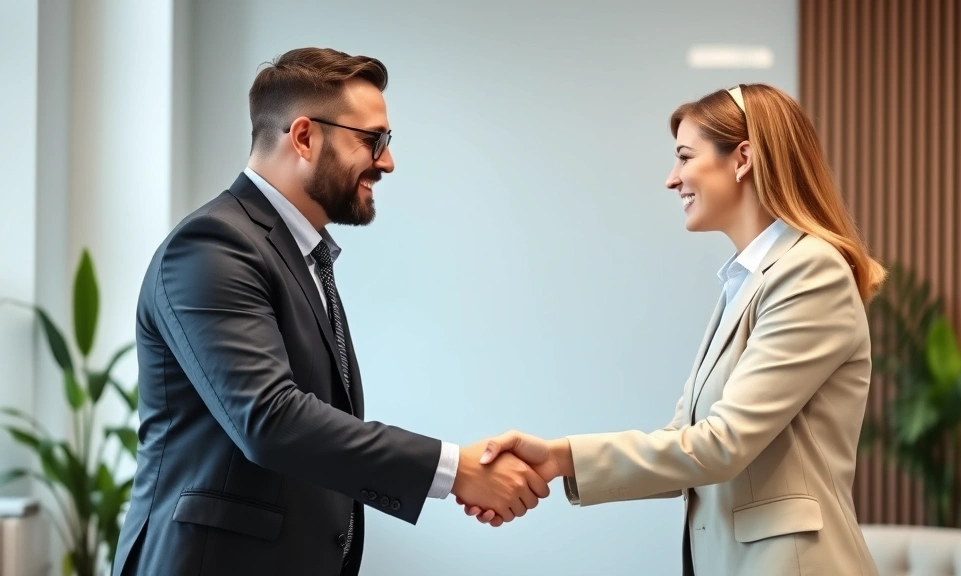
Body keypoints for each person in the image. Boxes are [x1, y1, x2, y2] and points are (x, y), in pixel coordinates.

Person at [112, 47, 552, 576]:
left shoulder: (301, 252)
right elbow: (270, 419)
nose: (386, 161)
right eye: (373, 140)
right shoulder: (212, 247)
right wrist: (455, 470)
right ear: (303, 137)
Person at [459, 84, 886, 576]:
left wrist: (562, 457)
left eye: (684, 157)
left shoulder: (809, 271)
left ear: (743, 158)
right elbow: (686, 439)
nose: (671, 179)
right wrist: (558, 458)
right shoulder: (746, 281)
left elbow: (720, 447)